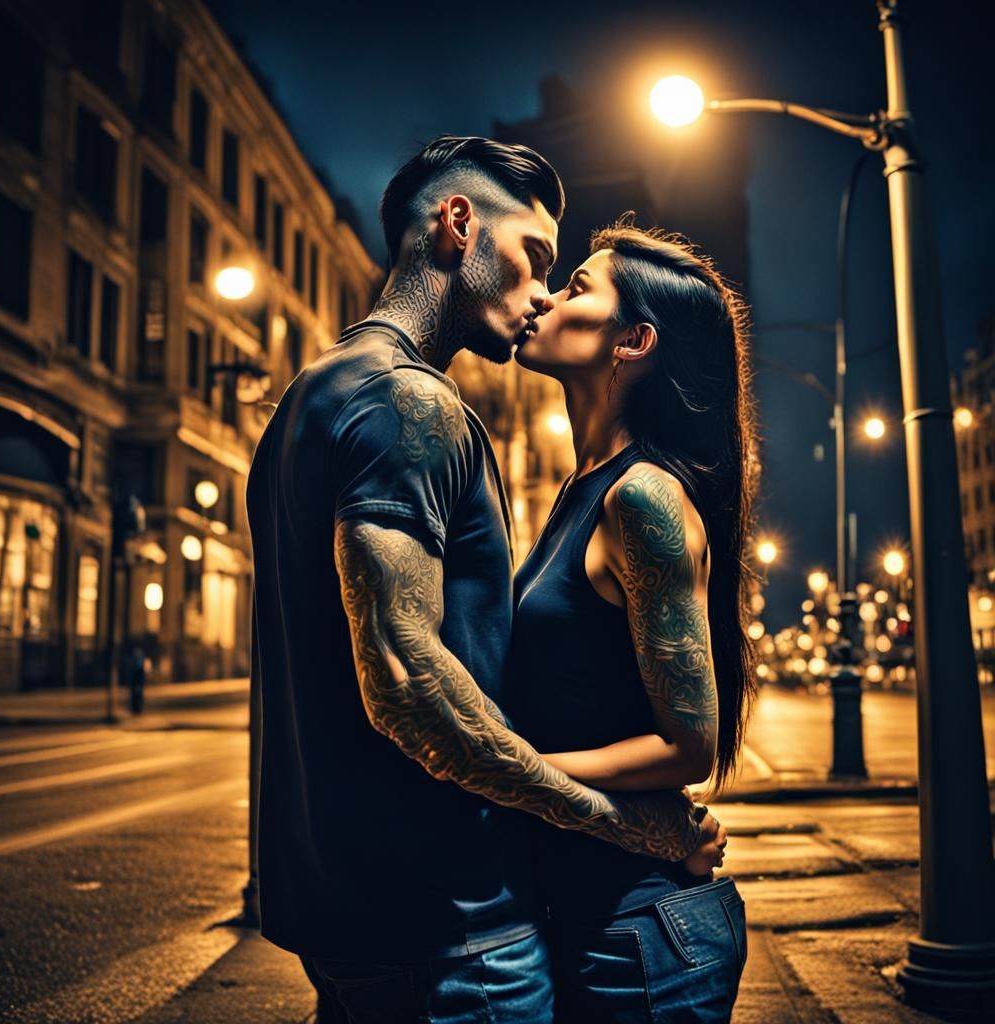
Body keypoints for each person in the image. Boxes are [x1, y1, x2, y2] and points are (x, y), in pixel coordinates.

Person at [246, 139, 725, 1024]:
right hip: (450, 933)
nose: (543, 290)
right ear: (457, 225)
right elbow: (409, 688)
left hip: (353, 919)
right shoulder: (411, 404)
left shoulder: (305, 404)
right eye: (537, 257)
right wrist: (628, 823)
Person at [508, 218, 758, 1021]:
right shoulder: (583, 489)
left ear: (633, 340)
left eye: (577, 287)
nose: (545, 297)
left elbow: (688, 744)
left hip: (642, 938)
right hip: (594, 922)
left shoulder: (643, 496)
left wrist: (510, 773)